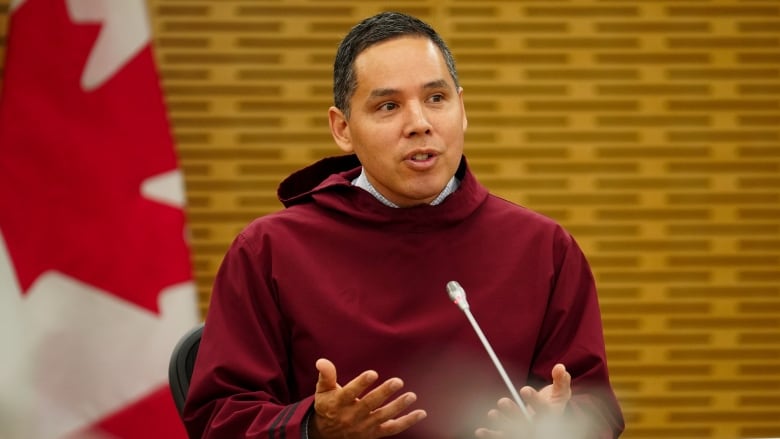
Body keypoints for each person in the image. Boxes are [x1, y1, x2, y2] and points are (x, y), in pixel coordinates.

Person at [182, 11, 625, 439]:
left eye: (436, 98)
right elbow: (218, 415)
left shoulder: (543, 248)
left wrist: (556, 426)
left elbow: (593, 405)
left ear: (462, 108)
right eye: (388, 105)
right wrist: (313, 429)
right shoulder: (270, 251)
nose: (420, 124)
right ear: (343, 129)